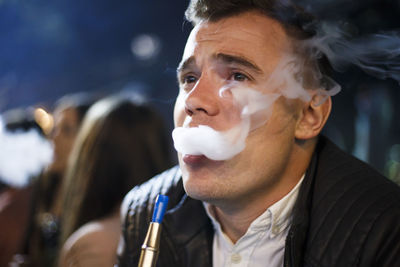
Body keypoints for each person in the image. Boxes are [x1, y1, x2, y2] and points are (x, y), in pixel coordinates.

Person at [117, 1, 400, 267]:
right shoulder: (143, 212)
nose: (193, 101)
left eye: (237, 77)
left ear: (308, 116)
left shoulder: (384, 231)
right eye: (190, 78)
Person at [57, 94, 172, 267]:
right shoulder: (181, 228)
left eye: (66, 130)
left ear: (93, 158)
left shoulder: (91, 244)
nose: (55, 137)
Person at [18, 93, 94, 267]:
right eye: (54, 130)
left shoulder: (96, 199)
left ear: (90, 138)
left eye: (66, 130)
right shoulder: (42, 190)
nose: (54, 138)